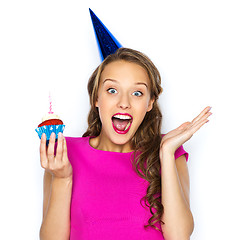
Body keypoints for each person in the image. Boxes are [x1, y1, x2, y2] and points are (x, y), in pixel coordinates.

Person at [39, 48, 212, 240]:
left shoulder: (170, 151)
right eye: (112, 90)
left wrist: (166, 153)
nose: (124, 103)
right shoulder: (62, 153)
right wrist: (62, 178)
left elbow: (179, 236)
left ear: (149, 103)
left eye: (137, 93)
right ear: (96, 98)